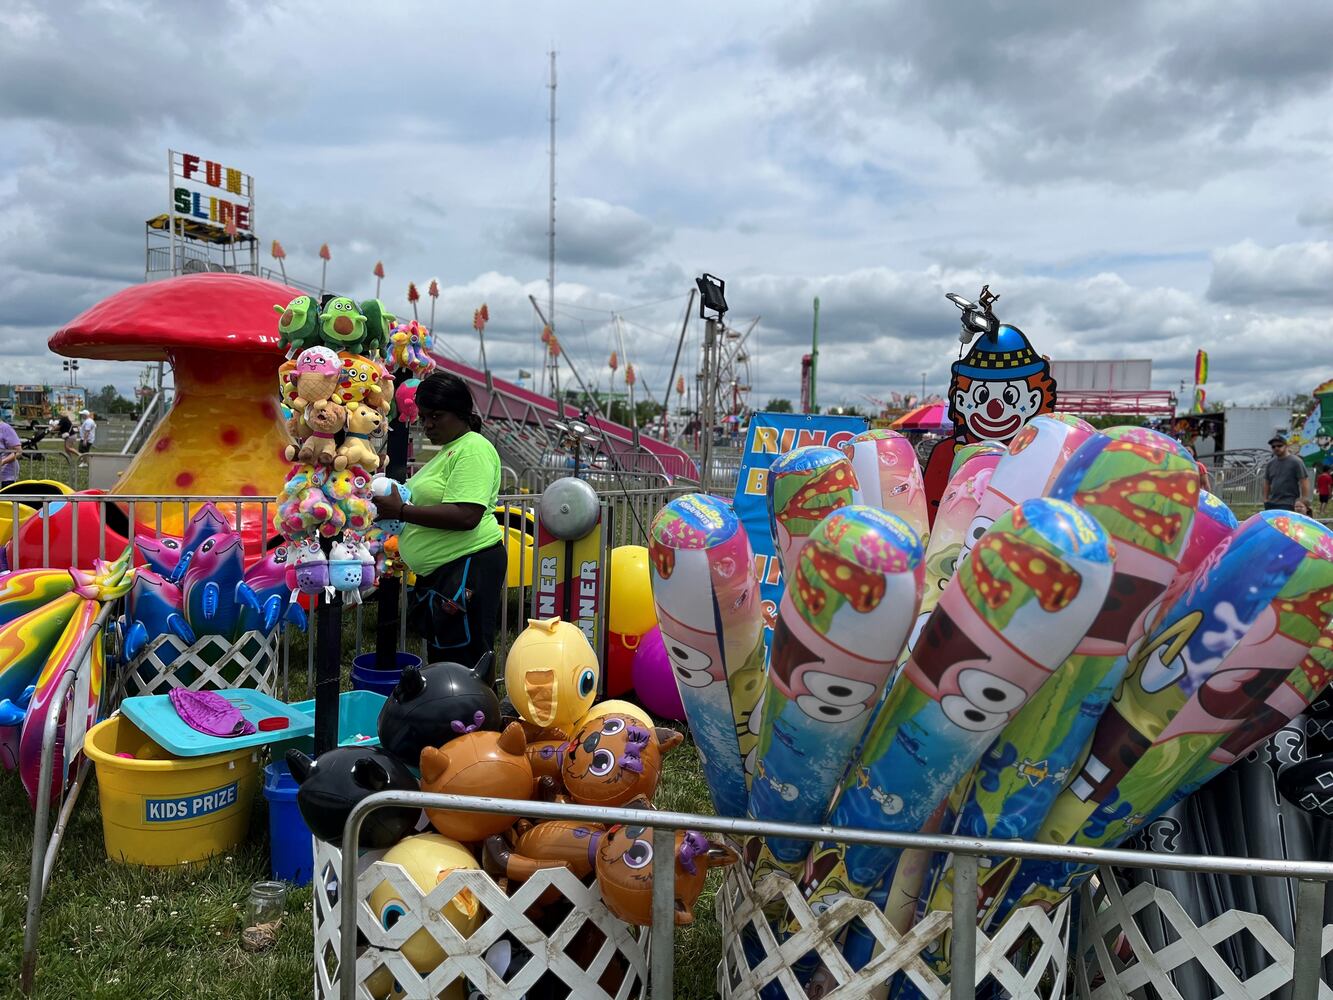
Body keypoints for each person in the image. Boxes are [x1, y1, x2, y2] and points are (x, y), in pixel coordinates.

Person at [372, 372, 506, 682]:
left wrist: (402, 511)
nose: (428, 425)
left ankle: (477, 727)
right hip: (446, 572)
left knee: (466, 663)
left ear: (460, 413)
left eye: (436, 416)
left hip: (467, 566)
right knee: (448, 661)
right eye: (423, 417)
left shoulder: (472, 449)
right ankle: (454, 726)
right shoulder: (450, 450)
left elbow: (466, 515)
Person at [1262, 435, 1311, 514]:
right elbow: (1266, 482)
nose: (1276, 448)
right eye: (1273, 447)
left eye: (1279, 445)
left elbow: (1304, 481)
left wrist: (1303, 500)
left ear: (1287, 446)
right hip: (1272, 503)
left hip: (1289, 503)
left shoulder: (1296, 462)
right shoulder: (1270, 463)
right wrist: (1265, 499)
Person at [0, 417, 20, 486]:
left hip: (6, 476)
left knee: (6, 496)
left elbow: (18, 451)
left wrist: (3, 461)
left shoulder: (6, 428)